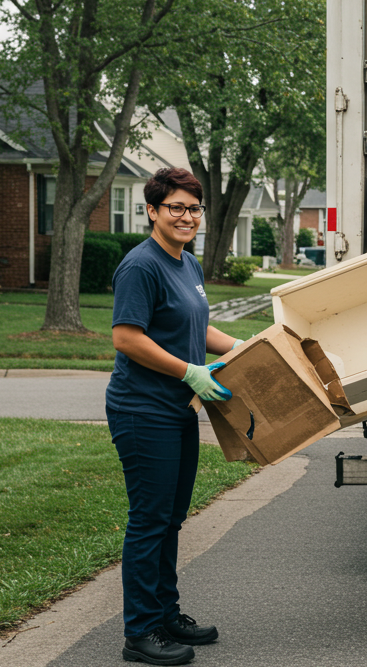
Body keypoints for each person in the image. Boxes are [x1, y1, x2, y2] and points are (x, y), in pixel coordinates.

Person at [107, 167, 243, 665]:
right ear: (152, 211)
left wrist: (247, 347)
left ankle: (165, 613)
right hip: (143, 410)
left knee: (170, 519)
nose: (187, 216)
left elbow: (198, 326)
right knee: (149, 520)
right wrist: (190, 372)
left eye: (193, 208)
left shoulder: (187, 263)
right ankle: (140, 632)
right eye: (176, 207)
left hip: (178, 408)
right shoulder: (141, 267)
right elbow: (127, 337)